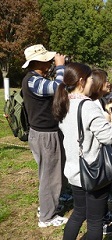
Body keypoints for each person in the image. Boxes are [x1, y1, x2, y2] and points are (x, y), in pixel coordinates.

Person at [52, 62, 112, 239]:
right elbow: (108, 138)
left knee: (78, 213)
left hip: (74, 170)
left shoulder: (63, 102)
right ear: (82, 81)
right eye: (90, 79)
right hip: (93, 171)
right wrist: (111, 127)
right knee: (95, 220)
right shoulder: (88, 106)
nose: (92, 82)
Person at [21, 44, 69, 227]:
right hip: (45, 136)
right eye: (47, 60)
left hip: (47, 133)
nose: (50, 61)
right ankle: (47, 217)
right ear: (38, 62)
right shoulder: (33, 80)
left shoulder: (37, 78)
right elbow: (57, 87)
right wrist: (60, 67)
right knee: (50, 176)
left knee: (54, 172)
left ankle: (51, 202)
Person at [90, 69, 112, 234]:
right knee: (97, 193)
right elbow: (103, 133)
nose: (108, 83)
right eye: (105, 81)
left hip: (105, 152)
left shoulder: (100, 101)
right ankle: (100, 222)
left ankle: (105, 214)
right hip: (97, 155)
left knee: (104, 188)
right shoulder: (91, 104)